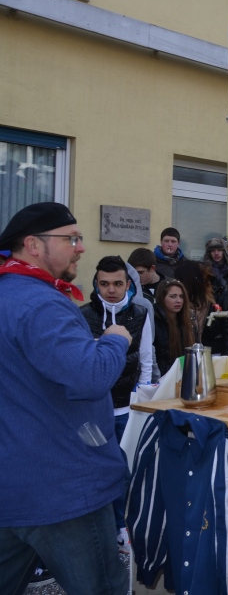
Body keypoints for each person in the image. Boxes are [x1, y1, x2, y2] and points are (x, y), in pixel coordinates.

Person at [0, 202, 132, 594]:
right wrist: (113, 342)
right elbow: (91, 377)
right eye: (71, 239)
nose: (80, 248)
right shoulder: (41, 303)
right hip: (65, 489)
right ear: (33, 245)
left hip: (14, 486)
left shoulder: (9, 294)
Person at [79, 255, 154, 552]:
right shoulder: (83, 315)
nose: (111, 289)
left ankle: (120, 527)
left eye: (118, 283)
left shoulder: (140, 314)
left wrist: (142, 401)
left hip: (127, 408)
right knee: (95, 469)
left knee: (124, 471)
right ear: (96, 284)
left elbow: (147, 360)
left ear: (128, 285)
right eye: (104, 283)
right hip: (94, 410)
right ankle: (96, 528)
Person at [175, 260, 228, 356]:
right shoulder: (180, 300)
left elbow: (227, 329)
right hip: (189, 354)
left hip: (214, 354)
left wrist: (225, 357)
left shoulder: (217, 295)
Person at [152, 278, 195, 378]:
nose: (178, 301)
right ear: (162, 298)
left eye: (181, 296)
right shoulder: (154, 320)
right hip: (162, 378)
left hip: (184, 375)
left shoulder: (188, 319)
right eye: (173, 296)